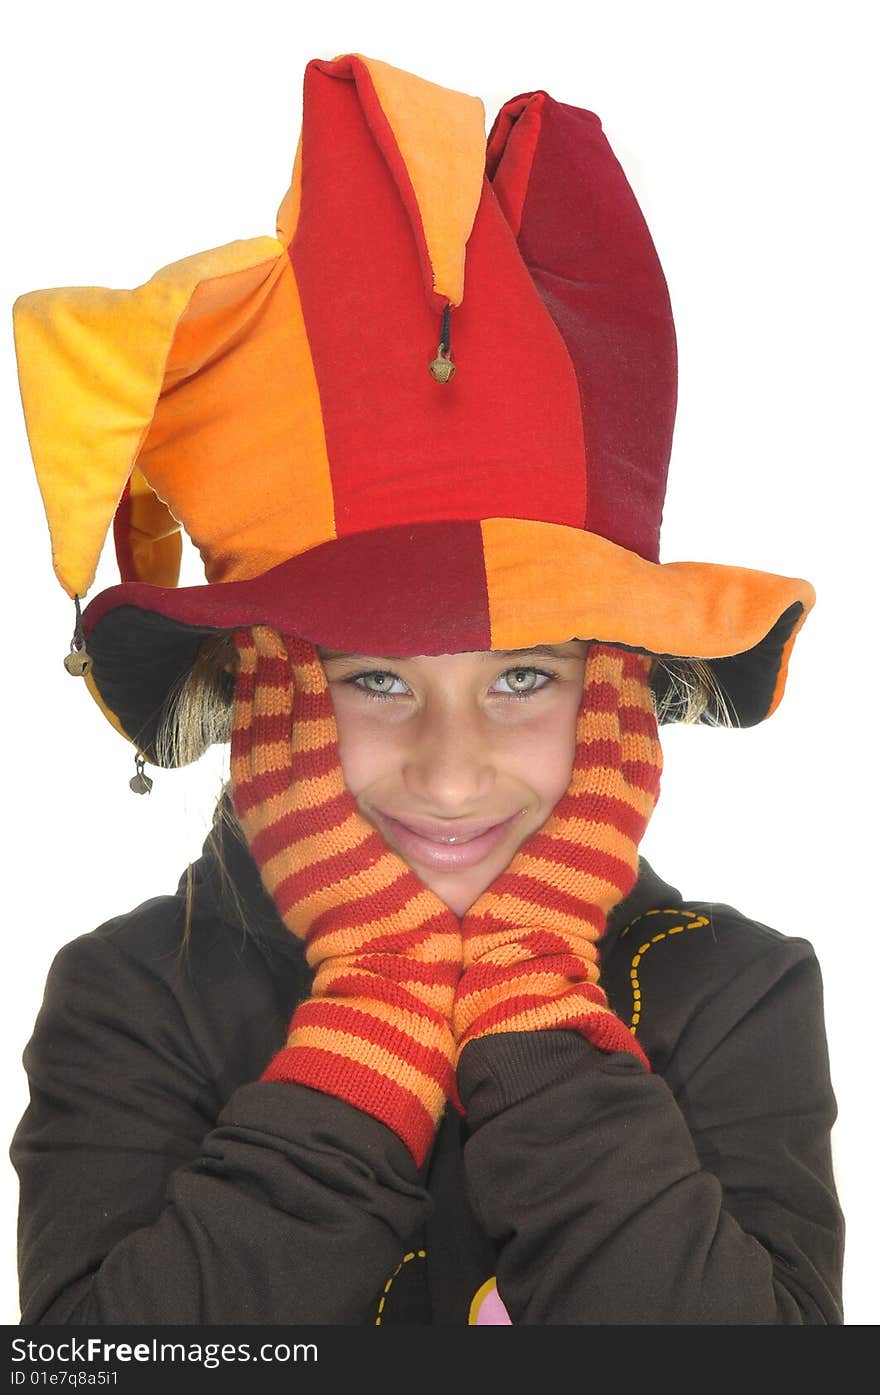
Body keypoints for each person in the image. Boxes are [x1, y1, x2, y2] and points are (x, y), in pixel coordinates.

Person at [9, 51, 844, 1326]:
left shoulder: (729, 988)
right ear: (266, 697)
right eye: (375, 678)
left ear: (613, 701)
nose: (452, 771)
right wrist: (378, 1012)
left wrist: (528, 991)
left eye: (523, 676)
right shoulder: (135, 994)